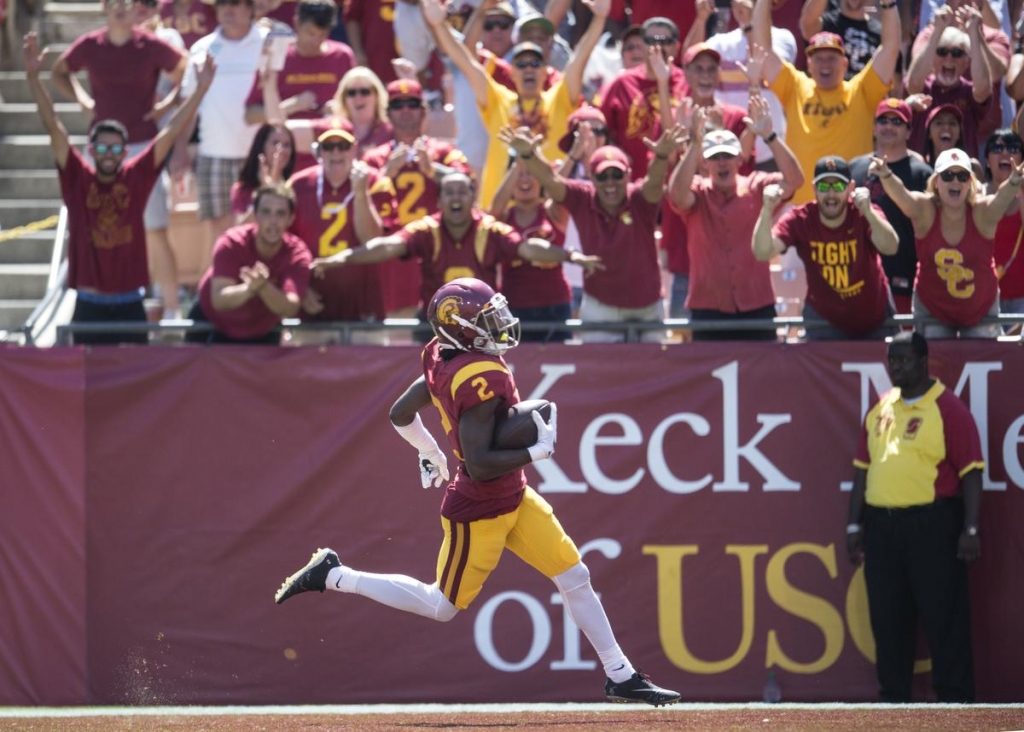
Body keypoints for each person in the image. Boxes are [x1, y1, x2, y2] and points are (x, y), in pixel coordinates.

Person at [274, 276, 681, 708]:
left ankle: (621, 675)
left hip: (514, 496)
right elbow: (482, 464)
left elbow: (401, 412)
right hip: (480, 507)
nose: (500, 325)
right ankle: (335, 575)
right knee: (441, 605)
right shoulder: (478, 375)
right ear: (458, 327)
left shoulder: (441, 352)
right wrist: (535, 450)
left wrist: (429, 450)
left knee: (574, 576)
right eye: (487, 319)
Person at [23, 32, 214, 345]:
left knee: (135, 390)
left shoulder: (135, 177)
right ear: (92, 150)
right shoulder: (77, 177)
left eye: (115, 150)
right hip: (88, 302)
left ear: (125, 154)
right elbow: (53, 125)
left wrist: (201, 90)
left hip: (129, 303)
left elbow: (170, 131)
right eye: (102, 149)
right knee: (88, 389)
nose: (108, 155)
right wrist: (32, 75)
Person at [847, 330, 983, 703]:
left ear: (924, 362)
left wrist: (970, 528)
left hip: (933, 525)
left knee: (944, 618)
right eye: (891, 360)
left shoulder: (948, 408)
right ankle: (894, 704)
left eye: (903, 360)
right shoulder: (881, 407)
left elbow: (972, 471)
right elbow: (862, 469)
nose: (896, 367)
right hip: (882, 527)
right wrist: (854, 524)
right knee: (888, 620)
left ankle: (956, 706)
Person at [309, 172, 603, 314]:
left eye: (462, 192)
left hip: (482, 330)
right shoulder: (428, 229)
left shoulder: (488, 229)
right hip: (434, 330)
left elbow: (529, 249)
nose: (456, 199)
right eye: (449, 193)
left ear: (473, 198)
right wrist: (341, 258)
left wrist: (571, 256)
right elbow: (386, 246)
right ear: (439, 200)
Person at [504, 125, 687, 343]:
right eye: (603, 176)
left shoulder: (639, 198)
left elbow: (654, 183)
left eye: (616, 174)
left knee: (659, 373)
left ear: (628, 175)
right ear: (591, 176)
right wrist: (527, 155)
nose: (610, 182)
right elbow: (550, 182)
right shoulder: (581, 197)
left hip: (647, 306)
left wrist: (661, 157)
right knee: (597, 374)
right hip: (601, 305)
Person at [422, 0, 610, 207]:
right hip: (499, 212)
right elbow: (464, 61)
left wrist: (600, 19)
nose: (529, 69)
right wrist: (438, 25)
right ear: (512, 73)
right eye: (521, 64)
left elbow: (580, 59)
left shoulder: (560, 99)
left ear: (545, 70)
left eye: (535, 63)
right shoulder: (498, 100)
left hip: (549, 212)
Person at [668, 98, 803, 339]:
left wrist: (770, 136)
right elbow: (676, 196)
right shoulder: (698, 191)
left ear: (740, 159)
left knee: (762, 377)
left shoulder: (757, 185)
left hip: (757, 305)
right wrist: (695, 144)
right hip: (708, 308)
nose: (722, 162)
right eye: (716, 156)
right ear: (705, 162)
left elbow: (795, 181)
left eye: (728, 155)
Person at [749, 0, 900, 204]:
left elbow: (890, 48)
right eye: (818, 58)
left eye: (832, 58)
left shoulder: (862, 90)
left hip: (851, 206)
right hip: (801, 209)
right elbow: (763, 50)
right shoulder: (795, 86)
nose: (825, 64)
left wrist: (889, 5)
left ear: (845, 63)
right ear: (809, 64)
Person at [872, 147, 1022, 339]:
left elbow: (1000, 200)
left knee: (981, 357)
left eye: (962, 176)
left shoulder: (981, 212)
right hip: (933, 308)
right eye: (948, 175)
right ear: (936, 182)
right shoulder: (925, 210)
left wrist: (1013, 182)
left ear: (970, 183)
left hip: (980, 308)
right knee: (935, 361)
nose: (955, 181)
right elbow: (903, 196)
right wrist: (886, 175)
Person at [752, 155, 899, 339]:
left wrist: (868, 212)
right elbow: (762, 252)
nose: (831, 195)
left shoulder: (865, 212)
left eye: (838, 186)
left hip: (875, 317)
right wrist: (766, 210)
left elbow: (891, 247)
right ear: (814, 189)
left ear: (851, 188)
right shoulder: (801, 219)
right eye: (823, 187)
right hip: (824, 319)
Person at [362, 79, 472, 318]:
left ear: (423, 110)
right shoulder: (374, 158)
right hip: (391, 258)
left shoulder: (443, 152)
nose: (405, 111)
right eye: (398, 105)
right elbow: (357, 199)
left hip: (435, 253)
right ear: (388, 113)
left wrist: (433, 170)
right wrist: (384, 175)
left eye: (412, 104)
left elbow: (467, 182)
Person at [177, 0, 268, 272]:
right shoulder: (201, 49)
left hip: (262, 156)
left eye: (236, 3)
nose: (228, 9)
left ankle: (260, 296)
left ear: (252, 8)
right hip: (213, 153)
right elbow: (189, 107)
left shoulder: (269, 43)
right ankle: (219, 296)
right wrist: (180, 152)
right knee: (219, 231)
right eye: (222, 3)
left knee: (264, 227)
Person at [288, 128, 395, 329]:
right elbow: (285, 245)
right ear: (319, 151)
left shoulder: (377, 182)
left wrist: (361, 193)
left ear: (354, 149)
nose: (336, 153)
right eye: (328, 147)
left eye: (343, 146)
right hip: (314, 301)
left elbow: (372, 242)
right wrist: (298, 287)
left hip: (363, 300)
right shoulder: (297, 185)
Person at [188, 183, 311, 344]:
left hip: (262, 330)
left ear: (291, 219)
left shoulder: (297, 254)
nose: (273, 221)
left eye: (280, 214)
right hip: (212, 323)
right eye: (266, 212)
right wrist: (250, 288)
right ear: (255, 214)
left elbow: (290, 307)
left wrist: (263, 286)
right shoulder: (230, 242)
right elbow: (219, 299)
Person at [686, 0, 796, 170]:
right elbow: (690, 61)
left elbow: (765, 66)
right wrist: (701, 20)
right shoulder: (721, 42)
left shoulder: (783, 38)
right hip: (727, 150)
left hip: (769, 148)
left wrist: (750, 26)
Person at [850, 98, 933, 315]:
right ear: (874, 128)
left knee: (902, 348)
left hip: (905, 281)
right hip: (858, 282)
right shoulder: (854, 168)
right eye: (883, 120)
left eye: (897, 122)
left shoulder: (923, 173)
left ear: (909, 132)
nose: (889, 126)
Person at [489, 157, 573, 342]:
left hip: (555, 305)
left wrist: (574, 154)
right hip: (513, 306)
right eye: (519, 175)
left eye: (531, 174)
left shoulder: (552, 211)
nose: (525, 180)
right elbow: (493, 211)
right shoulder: (503, 218)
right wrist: (517, 164)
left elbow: (559, 187)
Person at [597, 16, 687, 180]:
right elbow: (602, 129)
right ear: (643, 46)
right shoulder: (622, 83)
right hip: (630, 184)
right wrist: (615, 151)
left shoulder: (687, 82)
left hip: (674, 184)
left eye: (664, 41)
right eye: (650, 40)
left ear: (676, 47)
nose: (657, 47)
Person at [243, 0, 356, 128]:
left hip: (333, 142)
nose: (316, 40)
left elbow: (362, 103)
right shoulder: (277, 57)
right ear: (296, 23)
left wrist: (342, 108)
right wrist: (290, 107)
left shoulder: (342, 56)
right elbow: (250, 115)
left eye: (323, 34)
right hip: (286, 142)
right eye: (310, 33)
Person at [905, 7, 992, 159]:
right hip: (921, 174)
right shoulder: (924, 88)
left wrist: (973, 32)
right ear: (932, 58)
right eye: (942, 51)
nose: (949, 59)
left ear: (967, 63)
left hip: (961, 175)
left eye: (957, 53)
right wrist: (937, 30)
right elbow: (913, 84)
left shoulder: (968, 91)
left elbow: (984, 88)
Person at [984, 129, 1024, 320]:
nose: (1005, 154)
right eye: (997, 148)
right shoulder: (974, 197)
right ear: (986, 161)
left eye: (1013, 148)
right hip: (985, 297)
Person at [799, 0, 884, 79]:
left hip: (865, 93)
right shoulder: (827, 24)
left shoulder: (880, 34)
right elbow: (807, 23)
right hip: (827, 93)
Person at [231, 122, 297, 224]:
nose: (281, 150)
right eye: (275, 143)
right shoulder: (242, 189)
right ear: (262, 146)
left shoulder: (298, 185)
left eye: (287, 145)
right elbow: (240, 229)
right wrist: (266, 191)